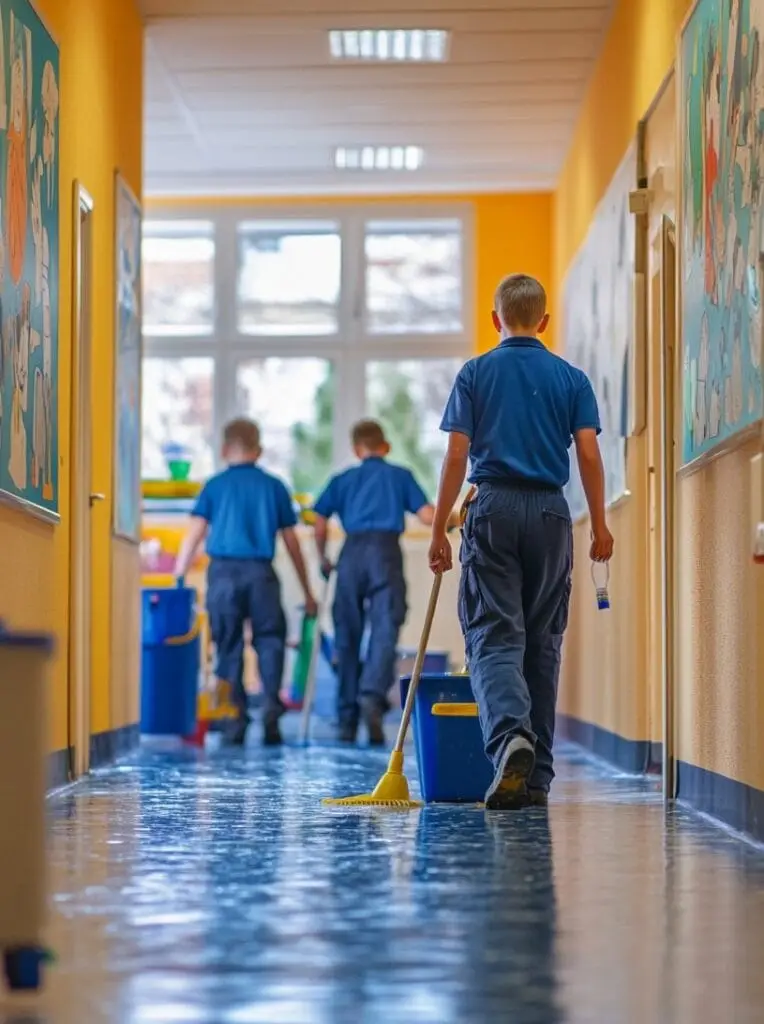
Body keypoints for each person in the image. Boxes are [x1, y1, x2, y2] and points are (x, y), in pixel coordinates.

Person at [429, 274, 614, 810]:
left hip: (494, 508)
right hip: (552, 512)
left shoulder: (475, 372)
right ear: (545, 322)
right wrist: (599, 524)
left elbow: (457, 455)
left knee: (493, 634)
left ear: (495, 320)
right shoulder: (571, 377)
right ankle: (537, 779)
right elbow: (588, 454)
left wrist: (441, 525)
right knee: (542, 640)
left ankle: (511, 738)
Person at [175, 418, 317, 747]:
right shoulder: (275, 486)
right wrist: (308, 591)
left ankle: (234, 720)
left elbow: (195, 532)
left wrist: (178, 575)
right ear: (260, 449)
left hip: (223, 573)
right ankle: (270, 714)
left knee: (228, 645)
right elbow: (292, 542)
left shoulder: (214, 486)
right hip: (261, 574)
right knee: (270, 641)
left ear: (225, 449)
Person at [313, 420, 436, 745]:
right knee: (385, 628)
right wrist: (453, 521)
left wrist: (323, 557)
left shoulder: (343, 480)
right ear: (386, 447)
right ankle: (371, 697)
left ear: (357, 450)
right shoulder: (400, 476)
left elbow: (320, 519)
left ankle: (347, 717)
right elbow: (426, 514)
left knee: (347, 635)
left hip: (351, 553)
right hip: (385, 553)